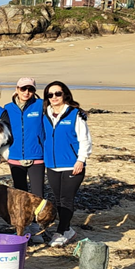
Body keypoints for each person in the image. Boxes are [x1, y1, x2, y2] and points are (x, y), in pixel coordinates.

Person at [43, 81, 91, 247]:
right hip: (52, 165)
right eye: (50, 95)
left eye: (58, 93)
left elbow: (84, 139)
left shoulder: (75, 114)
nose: (54, 97)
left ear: (65, 95)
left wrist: (81, 159)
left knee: (66, 199)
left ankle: (61, 231)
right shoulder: (45, 113)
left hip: (72, 164)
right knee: (57, 200)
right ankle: (68, 229)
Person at [5, 77, 46, 198]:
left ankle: (37, 218)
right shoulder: (7, 108)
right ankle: (24, 218)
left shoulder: (41, 105)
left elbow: (59, 110)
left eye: (30, 89)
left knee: (38, 195)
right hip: (15, 156)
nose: (26, 92)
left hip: (37, 156)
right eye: (23, 88)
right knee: (21, 195)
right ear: (17, 89)